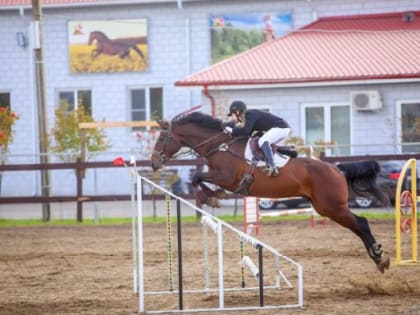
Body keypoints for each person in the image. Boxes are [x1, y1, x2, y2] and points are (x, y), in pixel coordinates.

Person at [224, 100, 291, 176]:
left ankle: (272, 166)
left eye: (232, 114)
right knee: (263, 142)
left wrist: (232, 130)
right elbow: (248, 133)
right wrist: (228, 127)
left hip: (281, 127)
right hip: (280, 128)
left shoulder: (249, 114)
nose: (232, 117)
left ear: (238, 112)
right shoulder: (248, 117)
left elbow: (246, 131)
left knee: (263, 141)